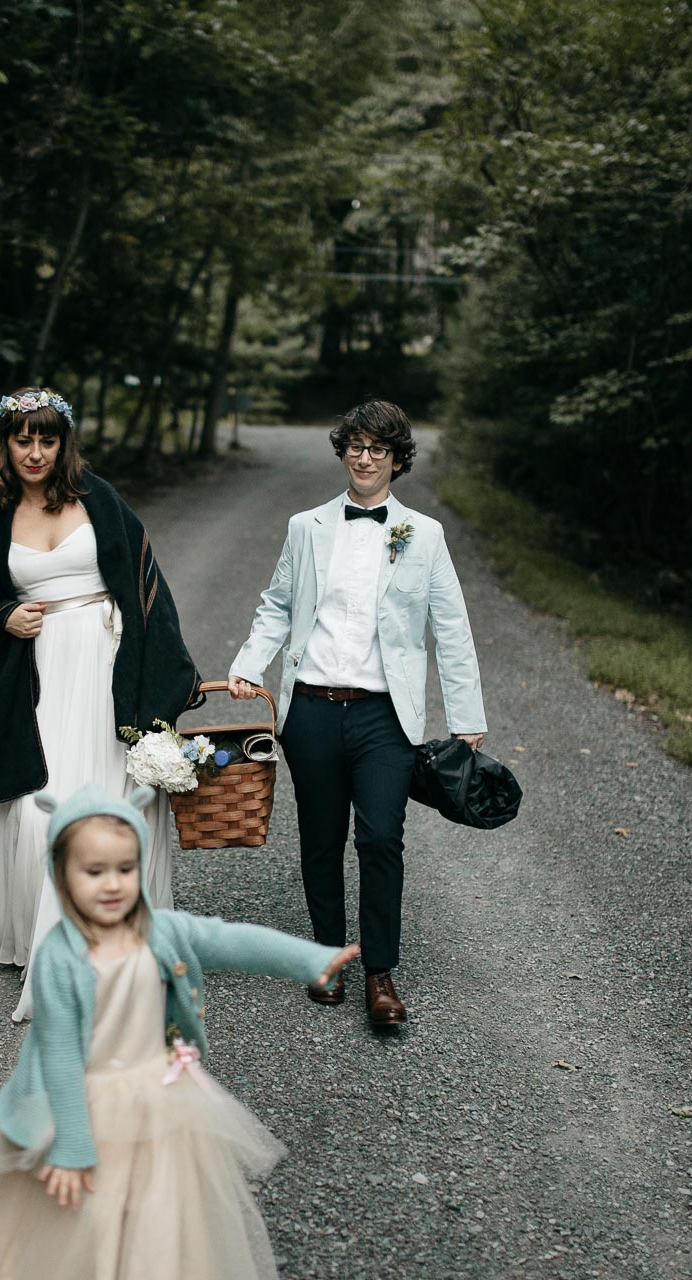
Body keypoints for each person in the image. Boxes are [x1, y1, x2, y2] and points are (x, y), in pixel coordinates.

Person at [0, 784, 358, 1280]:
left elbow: (230, 940)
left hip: (157, 1094)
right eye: (94, 872)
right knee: (76, 1225)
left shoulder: (160, 931)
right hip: (77, 1105)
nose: (112, 884)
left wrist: (310, 959)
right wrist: (70, 1146)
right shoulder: (60, 956)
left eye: (125, 869)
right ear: (61, 875)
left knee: (160, 1216)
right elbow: (61, 1057)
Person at [227, 400, 488, 1029]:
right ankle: (327, 957)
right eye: (356, 446)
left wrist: (466, 713)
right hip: (311, 710)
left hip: (383, 717)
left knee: (378, 838)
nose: (366, 458)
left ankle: (380, 973)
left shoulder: (423, 535)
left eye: (379, 449)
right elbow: (277, 605)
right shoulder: (306, 526)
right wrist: (248, 664)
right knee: (320, 839)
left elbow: (450, 627)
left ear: (398, 460)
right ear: (344, 451)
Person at [0, 387, 200, 1023]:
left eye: (47, 439)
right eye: (22, 439)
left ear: (63, 443)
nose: (34, 452)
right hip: (36, 674)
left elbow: (149, 586)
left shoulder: (98, 499)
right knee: (42, 813)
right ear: (4, 445)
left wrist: (164, 686)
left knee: (112, 804)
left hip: (106, 663)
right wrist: (4, 616)